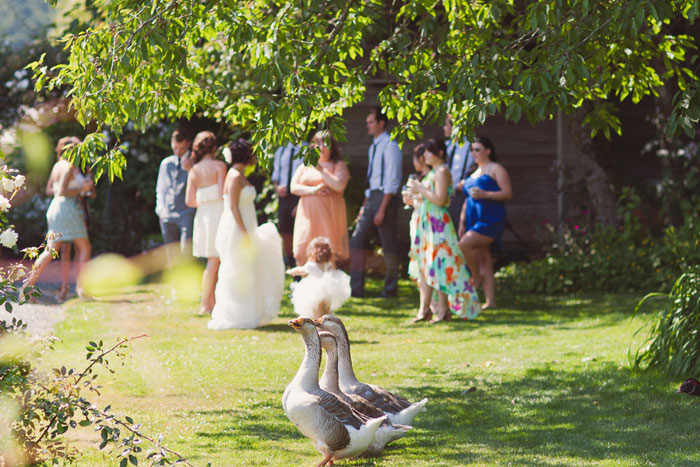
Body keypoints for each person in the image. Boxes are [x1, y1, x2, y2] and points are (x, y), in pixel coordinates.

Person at [208, 139, 285, 330]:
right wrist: (243, 233)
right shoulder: (234, 176)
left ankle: (249, 313)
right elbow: (233, 206)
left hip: (246, 226)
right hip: (237, 229)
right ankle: (235, 316)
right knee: (237, 269)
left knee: (248, 269)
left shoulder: (239, 174)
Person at [406, 138, 481, 323]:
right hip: (428, 221)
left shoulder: (441, 171)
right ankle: (426, 310)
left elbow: (440, 199)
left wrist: (420, 188)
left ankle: (442, 310)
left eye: (428, 152)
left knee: (439, 264)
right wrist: (414, 195)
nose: (424, 155)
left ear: (439, 153)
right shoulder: (433, 172)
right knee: (428, 265)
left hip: (438, 222)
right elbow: (429, 198)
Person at [21, 137, 94, 300]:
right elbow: (61, 191)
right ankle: (82, 288)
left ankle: (26, 287)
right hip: (67, 208)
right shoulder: (70, 166)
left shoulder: (57, 166)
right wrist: (81, 189)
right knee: (85, 248)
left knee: (49, 251)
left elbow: (52, 191)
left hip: (55, 208)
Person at [349, 108, 402, 298]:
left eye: (371, 122)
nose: (367, 126)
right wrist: (365, 205)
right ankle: (356, 289)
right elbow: (371, 180)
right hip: (371, 196)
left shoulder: (390, 145)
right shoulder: (373, 146)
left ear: (381, 123)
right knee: (356, 242)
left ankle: (390, 289)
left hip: (385, 197)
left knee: (388, 245)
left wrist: (382, 209)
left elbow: (392, 180)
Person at [458, 136, 512, 309]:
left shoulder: (496, 168)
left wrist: (486, 194)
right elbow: (466, 198)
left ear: (488, 150)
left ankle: (476, 278)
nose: (474, 153)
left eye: (477, 149)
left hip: (491, 218)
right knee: (485, 259)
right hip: (473, 218)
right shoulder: (472, 172)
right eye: (472, 150)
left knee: (463, 245)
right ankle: (490, 302)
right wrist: (461, 222)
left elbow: (508, 193)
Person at [290, 130, 350, 267]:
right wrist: (313, 190)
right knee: (300, 252)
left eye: (325, 144)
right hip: (307, 217)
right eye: (317, 143)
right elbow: (293, 187)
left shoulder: (338, 166)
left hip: (327, 216)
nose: (321, 147)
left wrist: (321, 170)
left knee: (325, 254)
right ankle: (303, 283)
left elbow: (339, 186)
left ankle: (327, 286)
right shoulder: (305, 165)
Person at [185, 131, 226, 315]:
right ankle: (207, 303)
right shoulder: (219, 166)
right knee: (215, 261)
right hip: (218, 213)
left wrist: (203, 202)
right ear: (214, 148)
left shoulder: (194, 170)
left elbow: (189, 201)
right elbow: (222, 194)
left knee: (212, 261)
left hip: (202, 216)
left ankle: (210, 302)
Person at [155, 127, 195, 267]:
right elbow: (161, 189)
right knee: (171, 254)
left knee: (186, 253)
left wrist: (190, 170)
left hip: (186, 212)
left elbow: (197, 186)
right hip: (167, 214)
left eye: (182, 148)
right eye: (175, 148)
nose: (178, 152)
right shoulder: (166, 163)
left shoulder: (195, 162)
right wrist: (160, 210)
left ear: (188, 144)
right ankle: (174, 287)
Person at [285, 236, 351, 319]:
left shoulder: (311, 265)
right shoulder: (327, 264)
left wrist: (291, 271)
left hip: (315, 293)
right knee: (326, 313)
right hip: (328, 291)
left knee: (317, 315)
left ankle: (319, 329)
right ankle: (326, 327)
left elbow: (302, 270)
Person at [57, 164, 96, 300]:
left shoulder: (84, 169)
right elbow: (55, 191)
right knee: (65, 249)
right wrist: (79, 189)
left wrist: (87, 187)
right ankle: (66, 287)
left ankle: (77, 287)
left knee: (81, 249)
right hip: (67, 210)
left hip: (79, 210)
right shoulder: (65, 167)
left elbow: (92, 194)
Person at [271, 141, 306, 269]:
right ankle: (290, 263)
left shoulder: (306, 148)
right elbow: (276, 174)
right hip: (284, 196)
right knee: (285, 230)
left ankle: (300, 262)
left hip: (299, 195)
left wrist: (300, 201)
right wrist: (277, 188)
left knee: (299, 230)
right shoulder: (281, 150)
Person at [443, 114, 474, 227]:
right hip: (443, 194)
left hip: (460, 195)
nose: (444, 128)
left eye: (446, 125)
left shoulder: (470, 146)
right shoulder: (446, 146)